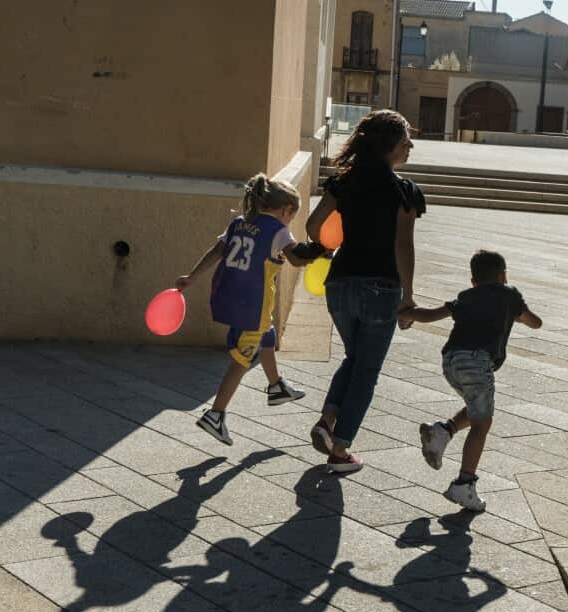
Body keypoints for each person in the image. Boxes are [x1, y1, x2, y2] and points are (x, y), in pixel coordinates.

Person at [305, 110, 425, 473]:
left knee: (354, 359)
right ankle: (340, 449)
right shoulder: (404, 191)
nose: (410, 146)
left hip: (339, 284)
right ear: (389, 145)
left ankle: (327, 422)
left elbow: (313, 225)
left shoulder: (343, 182)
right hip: (380, 288)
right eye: (405, 140)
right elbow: (403, 246)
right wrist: (408, 296)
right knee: (367, 369)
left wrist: (328, 244)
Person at [175, 173, 327, 445]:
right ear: (285, 210)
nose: (290, 220)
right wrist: (321, 249)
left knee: (267, 336)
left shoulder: (239, 223)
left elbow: (216, 251)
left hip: (230, 297)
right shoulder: (277, 230)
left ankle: (276, 386)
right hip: (254, 305)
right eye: (292, 215)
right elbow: (296, 259)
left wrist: (192, 277)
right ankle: (215, 414)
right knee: (241, 361)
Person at [399, 250, 542, 512]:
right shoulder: (510, 295)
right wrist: (518, 314)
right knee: (482, 423)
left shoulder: (466, 296)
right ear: (504, 276)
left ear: (473, 280)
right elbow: (535, 322)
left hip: (451, 361)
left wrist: (406, 313)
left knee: (477, 407)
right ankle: (464, 484)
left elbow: (430, 315)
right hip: (478, 361)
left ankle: (443, 431)